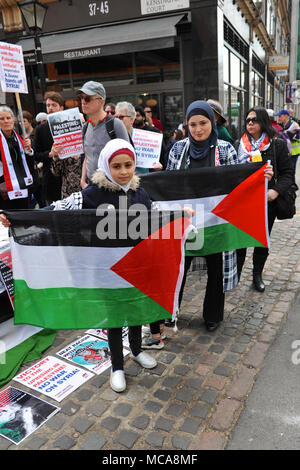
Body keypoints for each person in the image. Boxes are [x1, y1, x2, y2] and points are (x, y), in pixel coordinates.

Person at [0, 139, 158, 394]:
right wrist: (19, 218)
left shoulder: (140, 192)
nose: (124, 171)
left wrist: (183, 220)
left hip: (135, 267)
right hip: (108, 270)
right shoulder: (94, 194)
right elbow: (58, 210)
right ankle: (117, 365)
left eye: (128, 165)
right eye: (117, 166)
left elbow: (156, 219)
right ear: (107, 166)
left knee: (136, 309)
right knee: (116, 317)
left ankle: (137, 350)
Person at [165, 100, 273, 332]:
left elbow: (237, 184)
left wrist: (260, 177)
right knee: (178, 268)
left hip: (216, 221)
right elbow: (169, 184)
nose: (197, 129)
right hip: (186, 222)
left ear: (212, 123)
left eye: (203, 123)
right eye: (192, 124)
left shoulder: (225, 149)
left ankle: (212, 315)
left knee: (216, 269)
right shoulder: (177, 148)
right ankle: (169, 310)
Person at [237, 107, 294, 292]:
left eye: (254, 119)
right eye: (247, 120)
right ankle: (235, 275)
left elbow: (288, 174)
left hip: (266, 203)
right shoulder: (239, 145)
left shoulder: (276, 145)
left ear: (263, 122)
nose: (250, 123)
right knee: (240, 241)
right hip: (244, 202)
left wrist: (275, 191)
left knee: (262, 240)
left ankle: (257, 275)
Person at [77, 81, 129, 189]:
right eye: (81, 98)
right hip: (91, 187)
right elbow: (87, 157)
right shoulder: (85, 127)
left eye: (87, 98)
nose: (83, 102)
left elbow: (129, 157)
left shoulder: (115, 124)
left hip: (113, 187)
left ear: (101, 102)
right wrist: (83, 180)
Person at [115, 101, 163, 175]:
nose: (117, 120)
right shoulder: (112, 137)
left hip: (143, 180)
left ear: (131, 119)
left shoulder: (143, 137)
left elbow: (158, 158)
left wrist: (155, 165)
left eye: (121, 117)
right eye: (116, 117)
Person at [0, 106, 34, 210]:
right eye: (2, 119)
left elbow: (29, 163)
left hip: (22, 183)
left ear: (13, 120)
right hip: (4, 185)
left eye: (8, 118)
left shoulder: (19, 138)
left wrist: (29, 149)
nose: (6, 121)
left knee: (24, 215)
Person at [33, 92, 64, 205]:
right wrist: (50, 153)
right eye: (48, 105)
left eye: (54, 105)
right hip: (51, 180)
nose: (50, 108)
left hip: (71, 178)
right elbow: (36, 155)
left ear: (61, 108)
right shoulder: (40, 129)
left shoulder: (71, 124)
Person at [277, 109, 300, 178]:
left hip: (293, 153)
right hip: (284, 153)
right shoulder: (279, 125)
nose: (279, 118)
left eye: (280, 116)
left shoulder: (294, 125)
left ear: (286, 116)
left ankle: (292, 186)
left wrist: (287, 134)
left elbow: (298, 137)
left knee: (291, 171)